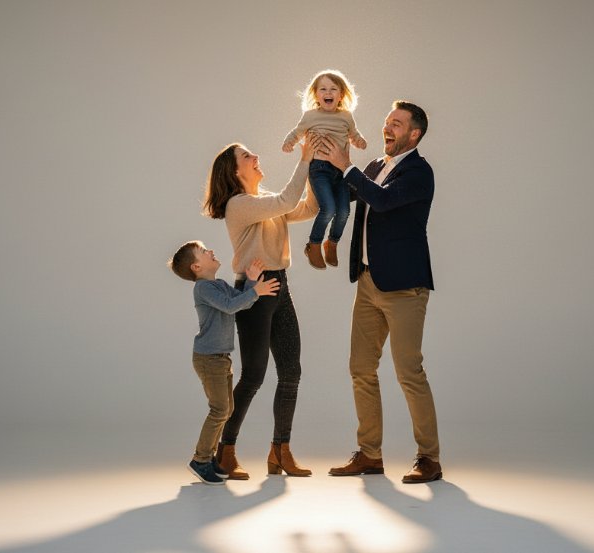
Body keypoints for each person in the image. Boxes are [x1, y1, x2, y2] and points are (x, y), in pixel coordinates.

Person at [318, 100, 443, 483]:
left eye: (396, 124)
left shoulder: (420, 172)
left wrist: (349, 169)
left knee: (409, 372)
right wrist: (319, 165)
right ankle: (370, 455)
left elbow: (383, 200)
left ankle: (429, 459)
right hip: (369, 282)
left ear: (414, 134)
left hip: (405, 287)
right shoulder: (375, 166)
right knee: (360, 368)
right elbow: (346, 194)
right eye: (387, 122)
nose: (387, 129)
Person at [202, 136, 321, 478]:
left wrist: (320, 169)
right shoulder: (239, 205)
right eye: (246, 155)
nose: (255, 156)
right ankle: (225, 451)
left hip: (279, 285)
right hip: (255, 288)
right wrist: (305, 158)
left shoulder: (267, 201)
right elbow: (288, 199)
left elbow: (307, 207)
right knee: (253, 375)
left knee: (291, 372)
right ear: (234, 170)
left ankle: (280, 451)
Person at [168, 241, 280, 485]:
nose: (211, 251)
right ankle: (200, 460)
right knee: (219, 410)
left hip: (221, 358)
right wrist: (256, 290)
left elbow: (243, 301)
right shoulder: (203, 289)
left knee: (226, 410)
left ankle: (208, 460)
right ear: (197, 266)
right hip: (209, 359)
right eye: (204, 252)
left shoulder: (218, 284)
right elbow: (230, 307)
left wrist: (251, 283)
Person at [282, 69, 367, 270]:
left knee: (344, 211)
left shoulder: (346, 116)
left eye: (333, 89)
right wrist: (289, 143)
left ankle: (333, 242)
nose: (328, 92)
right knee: (328, 208)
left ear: (341, 95)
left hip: (341, 170)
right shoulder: (310, 116)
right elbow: (297, 132)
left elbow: (353, 134)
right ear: (316, 95)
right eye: (323, 89)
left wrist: (359, 141)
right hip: (319, 169)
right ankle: (314, 244)